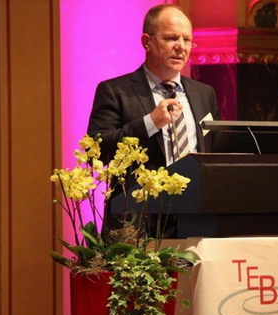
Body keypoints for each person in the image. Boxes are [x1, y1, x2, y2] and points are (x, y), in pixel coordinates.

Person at [87, 4, 220, 236]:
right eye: (171, 38)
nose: (181, 46)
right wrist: (149, 123)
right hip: (138, 223)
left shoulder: (204, 93)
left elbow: (215, 152)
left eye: (187, 40)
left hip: (196, 221)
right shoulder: (115, 91)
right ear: (146, 41)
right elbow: (95, 152)